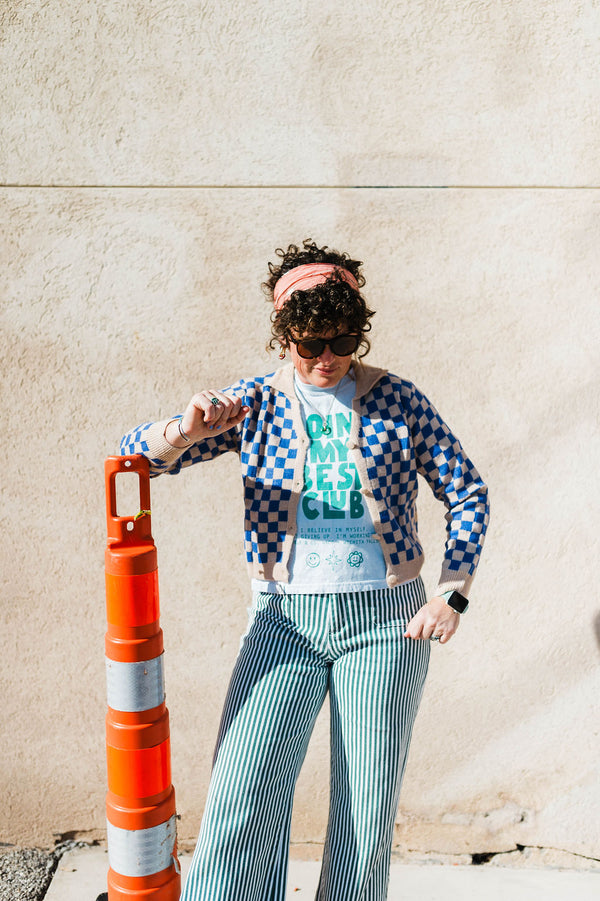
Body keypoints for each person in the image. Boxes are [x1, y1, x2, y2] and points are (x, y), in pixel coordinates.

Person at [120, 239, 490, 901]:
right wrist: (188, 427)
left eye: (342, 340)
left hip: (387, 623)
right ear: (283, 335)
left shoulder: (397, 400)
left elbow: (466, 491)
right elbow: (135, 459)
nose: (326, 358)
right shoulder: (254, 402)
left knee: (363, 810)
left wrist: (452, 595)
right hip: (283, 618)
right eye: (309, 342)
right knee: (243, 790)